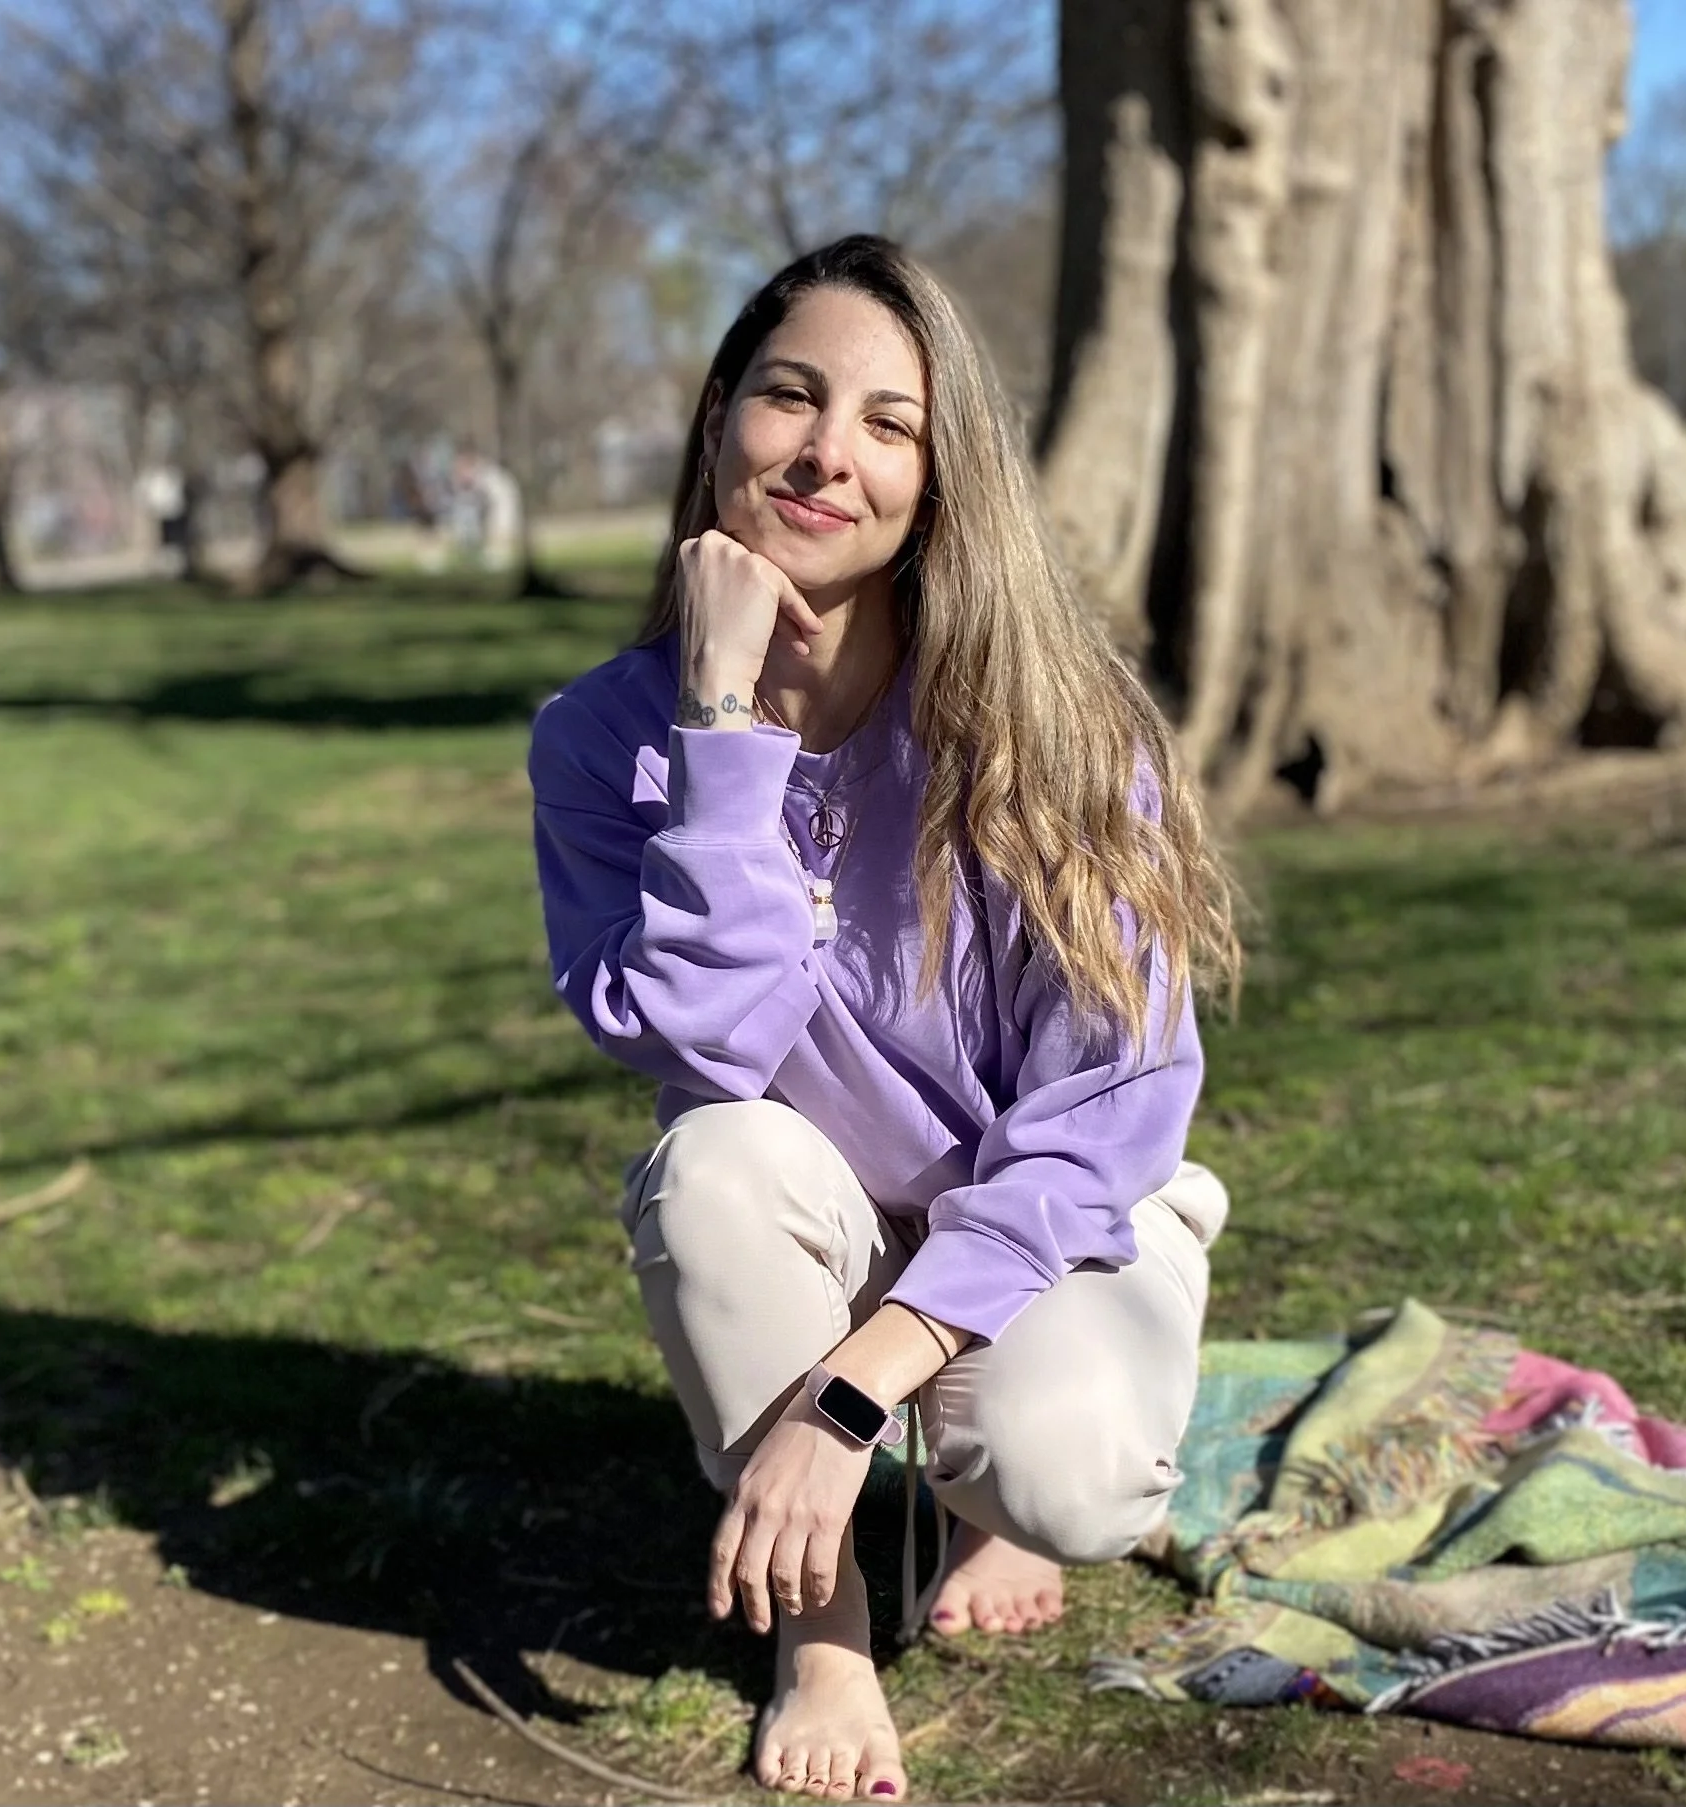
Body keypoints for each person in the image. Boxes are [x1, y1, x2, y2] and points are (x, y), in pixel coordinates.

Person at [529, 235, 1237, 1802]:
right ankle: (826, 1621)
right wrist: (723, 728)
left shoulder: (1053, 722)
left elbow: (1107, 1093)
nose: (827, 450)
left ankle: (993, 1454)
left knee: (1073, 1480)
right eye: (789, 395)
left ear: (940, 475)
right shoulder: (601, 740)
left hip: (1042, 1194)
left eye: (889, 421)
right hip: (814, 1201)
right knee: (708, 1166)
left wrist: (854, 1394)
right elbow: (707, 1053)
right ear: (722, 419)